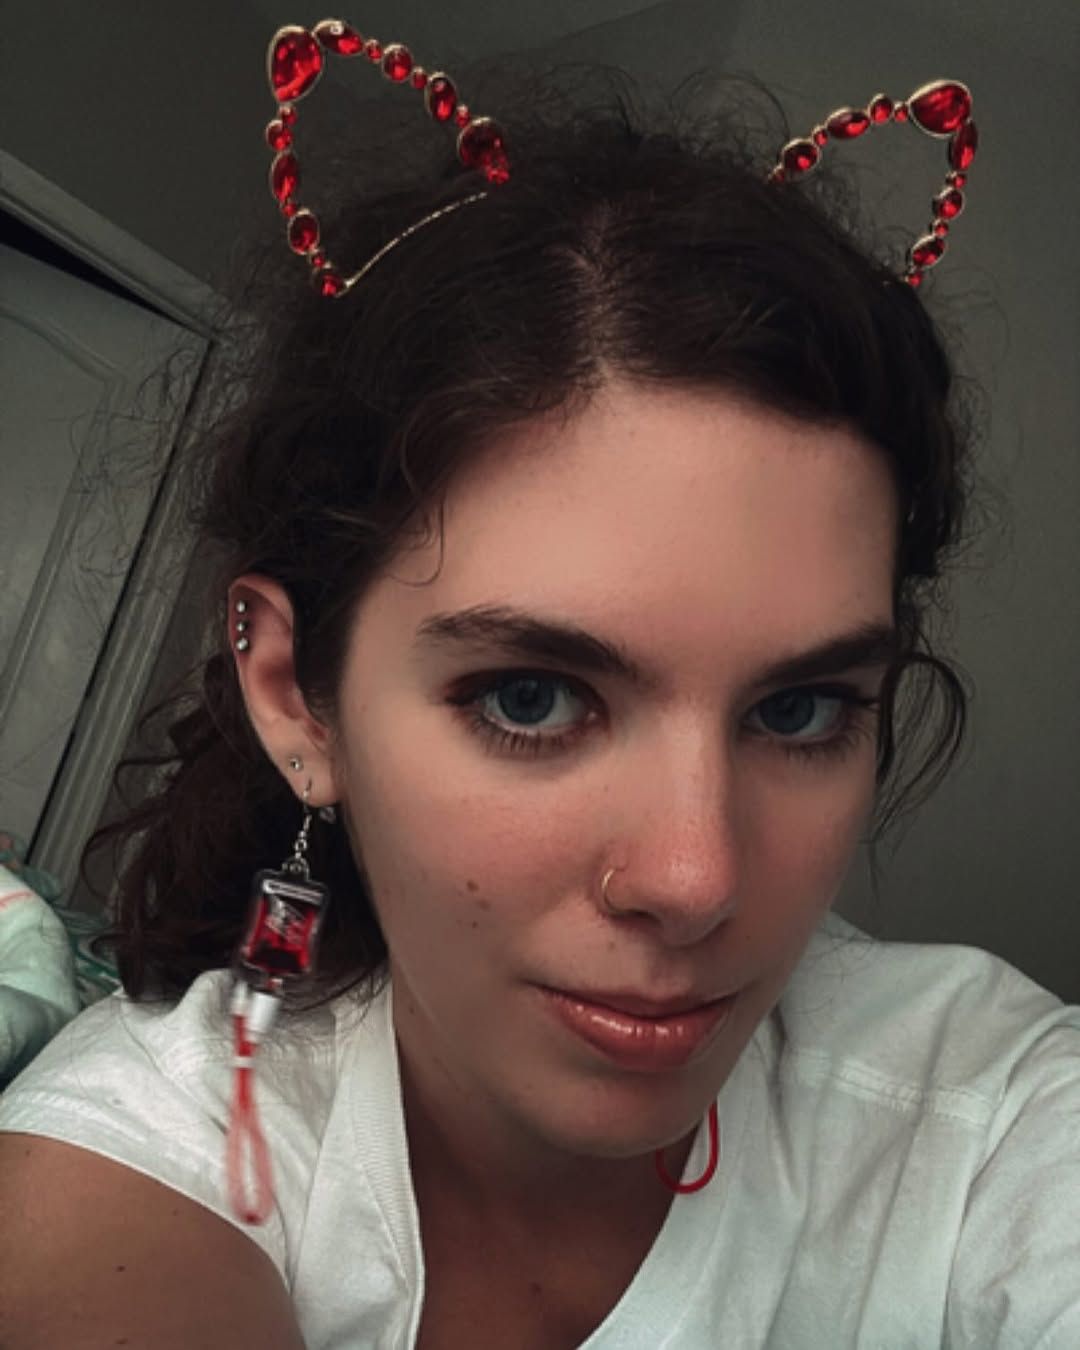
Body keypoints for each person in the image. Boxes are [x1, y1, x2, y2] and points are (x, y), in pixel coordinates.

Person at [0, 29, 1075, 1350]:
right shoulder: (136, 1152)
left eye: (799, 711)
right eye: (531, 699)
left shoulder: (988, 1115)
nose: (695, 880)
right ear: (292, 694)